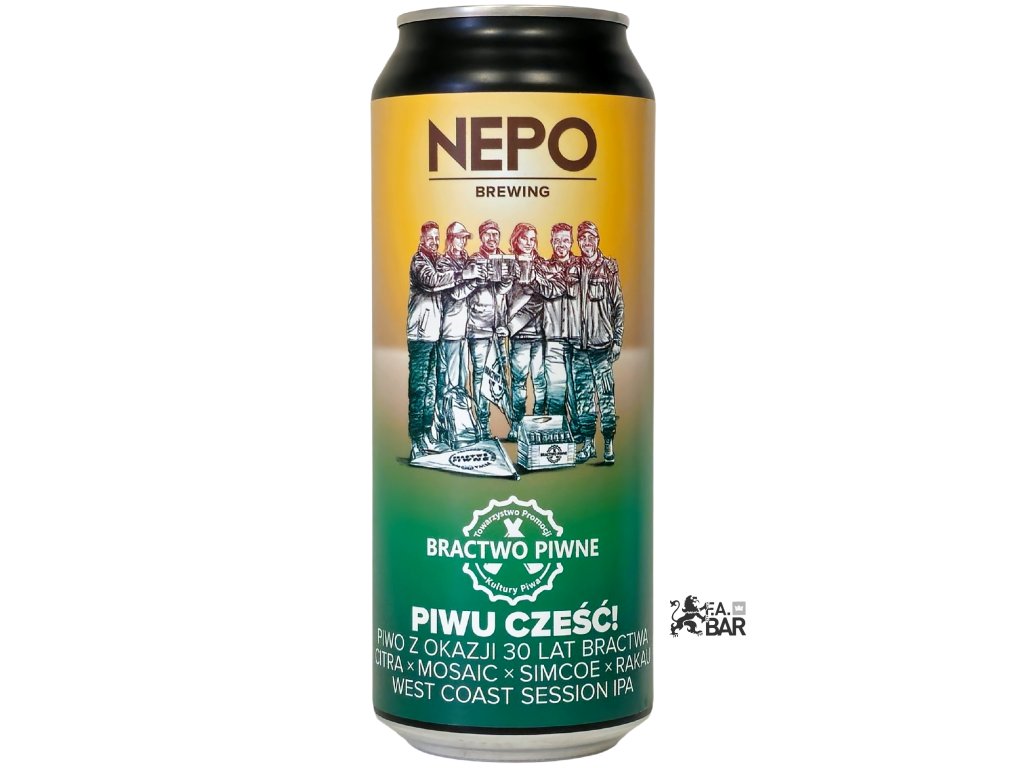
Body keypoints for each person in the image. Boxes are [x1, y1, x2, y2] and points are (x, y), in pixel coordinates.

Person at [406, 221, 464, 460]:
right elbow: (431, 281)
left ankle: (426, 435)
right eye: (430, 238)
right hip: (420, 336)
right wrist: (461, 274)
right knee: (419, 389)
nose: (434, 242)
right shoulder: (419, 262)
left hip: (435, 334)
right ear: (421, 239)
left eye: (437, 238)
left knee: (432, 387)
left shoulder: (436, 260)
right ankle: (416, 440)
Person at [566, 221, 623, 463]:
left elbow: (618, 306)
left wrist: (618, 340)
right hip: (579, 348)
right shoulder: (573, 267)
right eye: (582, 239)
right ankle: (588, 445)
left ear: (597, 239)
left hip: (602, 347)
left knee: (606, 396)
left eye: (591, 238)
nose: (586, 243)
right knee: (583, 399)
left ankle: (608, 444)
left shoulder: (608, 268)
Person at [504, 222, 564, 440]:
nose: (529, 243)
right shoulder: (508, 264)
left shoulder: (542, 265)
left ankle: (538, 422)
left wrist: (536, 283)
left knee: (539, 380)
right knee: (519, 380)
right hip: (518, 333)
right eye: (524, 238)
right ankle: (517, 424)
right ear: (516, 239)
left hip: (540, 333)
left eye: (532, 239)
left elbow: (554, 290)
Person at [466, 220, 513, 439]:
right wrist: (480, 276)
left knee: (501, 374)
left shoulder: (504, 259)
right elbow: (468, 290)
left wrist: (507, 278)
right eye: (488, 234)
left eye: (496, 234)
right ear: (481, 236)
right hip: (479, 329)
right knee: (480, 376)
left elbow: (504, 291)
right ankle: (482, 425)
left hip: (499, 329)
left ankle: (511, 422)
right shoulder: (474, 260)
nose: (492, 238)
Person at [538, 222, 578, 433]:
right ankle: (557, 432)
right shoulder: (543, 267)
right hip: (553, 337)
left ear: (571, 242)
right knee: (555, 388)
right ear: (551, 242)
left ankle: (579, 432)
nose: (561, 244)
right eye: (557, 240)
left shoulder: (581, 266)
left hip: (578, 338)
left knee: (577, 388)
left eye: (565, 240)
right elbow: (543, 290)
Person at [435, 222, 480, 392]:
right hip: (451, 326)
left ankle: (460, 403)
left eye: (465, 238)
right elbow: (456, 293)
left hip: (466, 327)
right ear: (450, 239)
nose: (463, 241)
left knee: (463, 374)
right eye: (459, 238)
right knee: (452, 376)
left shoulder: (467, 260)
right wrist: (474, 282)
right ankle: (452, 405)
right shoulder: (443, 263)